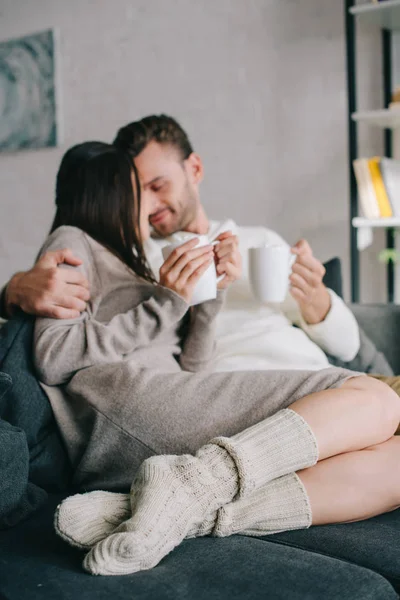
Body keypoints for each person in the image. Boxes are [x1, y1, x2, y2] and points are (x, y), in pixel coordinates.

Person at [32, 140, 400, 577]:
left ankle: (182, 507)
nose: (150, 204)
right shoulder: (72, 242)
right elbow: (53, 357)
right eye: (142, 190)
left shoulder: (132, 258)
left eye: (156, 187)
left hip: (164, 399)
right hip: (126, 406)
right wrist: (167, 302)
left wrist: (209, 298)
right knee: (375, 397)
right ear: (110, 192)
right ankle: (192, 483)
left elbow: (194, 368)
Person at [0, 114, 379, 374]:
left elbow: (348, 348)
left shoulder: (259, 242)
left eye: (158, 186)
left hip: (318, 373)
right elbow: (65, 320)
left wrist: (317, 301)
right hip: (243, 391)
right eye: (135, 193)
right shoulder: (133, 264)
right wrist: (13, 289)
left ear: (194, 170)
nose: (147, 204)